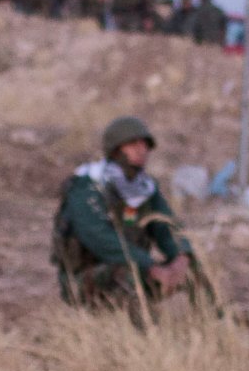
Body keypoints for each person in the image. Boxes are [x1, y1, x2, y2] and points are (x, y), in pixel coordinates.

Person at [54, 116, 194, 308]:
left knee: (192, 266)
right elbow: (99, 238)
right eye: (133, 144)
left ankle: (215, 322)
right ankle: (146, 332)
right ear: (115, 149)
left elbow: (167, 226)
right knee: (126, 272)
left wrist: (181, 256)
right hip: (84, 281)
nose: (141, 149)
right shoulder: (87, 186)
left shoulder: (145, 188)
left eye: (145, 144)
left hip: (137, 267)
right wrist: (150, 266)